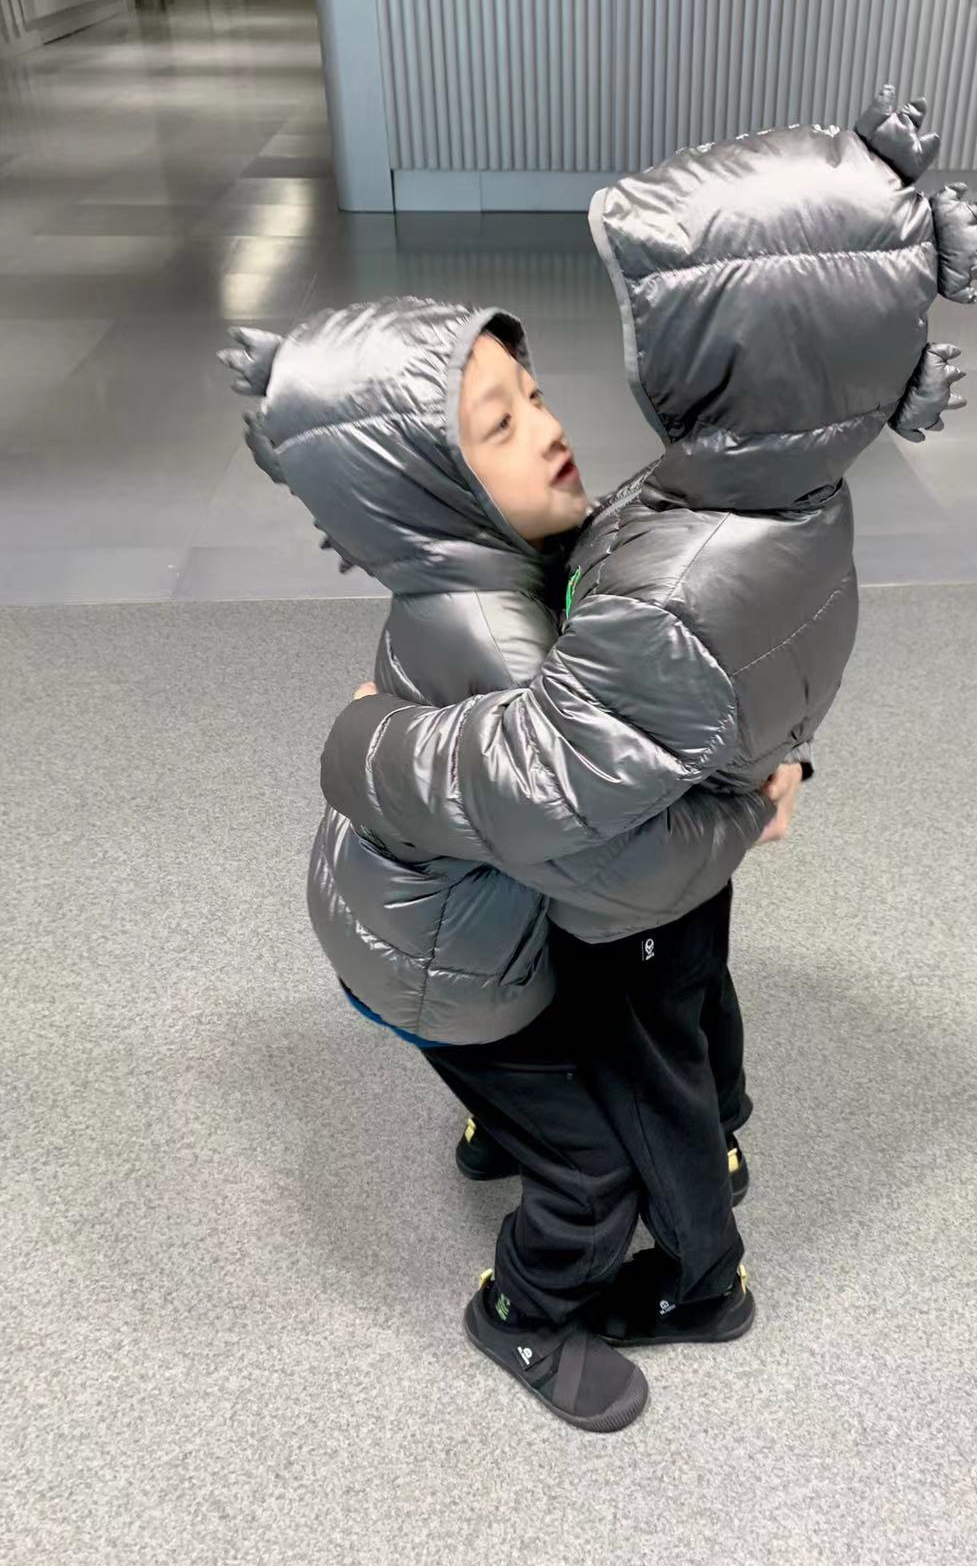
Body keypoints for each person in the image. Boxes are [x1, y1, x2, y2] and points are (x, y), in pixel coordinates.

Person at [318, 92, 977, 1360]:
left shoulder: (679, 579)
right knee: (693, 1015)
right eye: (508, 414)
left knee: (647, 1085)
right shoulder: (773, 487)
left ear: (745, 343)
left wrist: (366, 747)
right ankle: (719, 1131)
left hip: (647, 863)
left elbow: (542, 792)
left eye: (657, 319)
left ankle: (700, 1279)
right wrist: (755, 782)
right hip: (684, 819)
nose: (566, 412)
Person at [221, 300, 797, 1433]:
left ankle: (498, 1122)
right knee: (593, 1178)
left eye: (531, 395)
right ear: (431, 488)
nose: (545, 426)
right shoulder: (498, 648)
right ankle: (520, 1314)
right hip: (445, 973)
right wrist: (747, 816)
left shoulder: (486, 571)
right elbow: (612, 860)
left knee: (563, 1040)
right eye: (499, 424)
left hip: (425, 913)